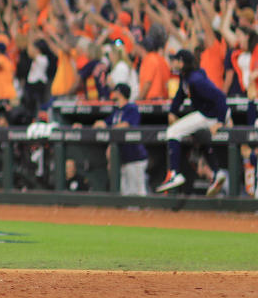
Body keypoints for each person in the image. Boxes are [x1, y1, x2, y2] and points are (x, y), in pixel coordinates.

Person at [154, 49, 229, 196]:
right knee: (200, 138)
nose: (172, 62)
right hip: (207, 115)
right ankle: (216, 172)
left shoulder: (196, 79)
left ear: (181, 63)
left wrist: (220, 121)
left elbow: (220, 97)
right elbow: (180, 95)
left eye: (175, 60)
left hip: (211, 115)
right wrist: (173, 111)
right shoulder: (187, 77)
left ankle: (174, 173)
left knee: (172, 132)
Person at [95, 83, 148, 196]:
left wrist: (108, 128)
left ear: (120, 93)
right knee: (125, 193)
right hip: (122, 158)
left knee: (138, 193)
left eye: (115, 91)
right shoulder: (117, 110)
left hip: (135, 157)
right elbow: (104, 123)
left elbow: (125, 125)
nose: (113, 93)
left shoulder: (131, 108)